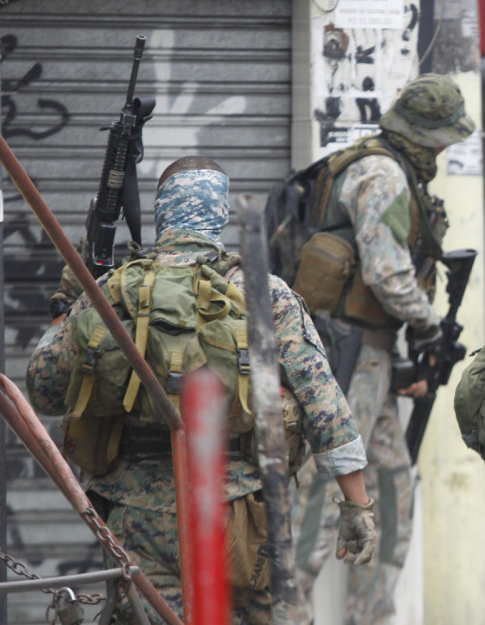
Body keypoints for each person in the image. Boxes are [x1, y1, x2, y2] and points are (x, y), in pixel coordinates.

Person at [27, 156, 378, 624]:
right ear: (220, 215)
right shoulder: (263, 294)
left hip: (135, 515)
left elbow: (44, 390)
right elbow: (325, 407)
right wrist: (356, 505)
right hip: (238, 514)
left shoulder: (113, 290)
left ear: (161, 214)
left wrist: (65, 308)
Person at [290, 73, 475, 624]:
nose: (444, 153)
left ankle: (371, 614)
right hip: (350, 352)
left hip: (369, 352)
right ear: (424, 137)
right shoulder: (383, 174)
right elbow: (387, 271)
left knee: (392, 487)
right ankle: (286, 609)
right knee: (325, 492)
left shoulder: (380, 166)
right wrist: (428, 327)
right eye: (443, 141)